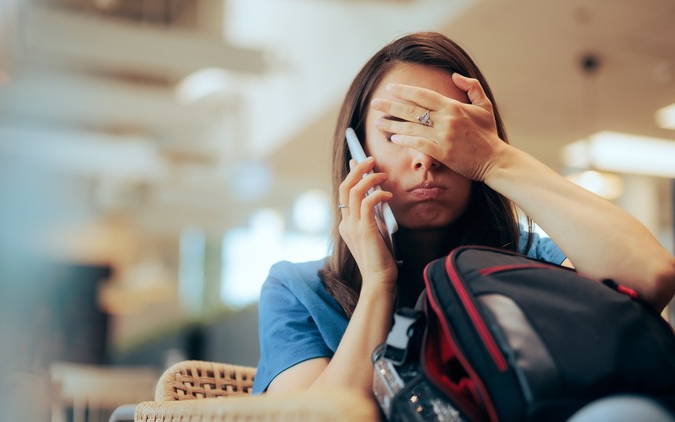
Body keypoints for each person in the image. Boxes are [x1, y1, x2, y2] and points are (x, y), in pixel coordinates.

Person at [251, 32, 675, 399]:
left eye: (447, 132)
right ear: (357, 153)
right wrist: (380, 284)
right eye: (397, 131)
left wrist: (495, 161)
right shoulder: (298, 291)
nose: (426, 158)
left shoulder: (531, 263)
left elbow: (650, 277)